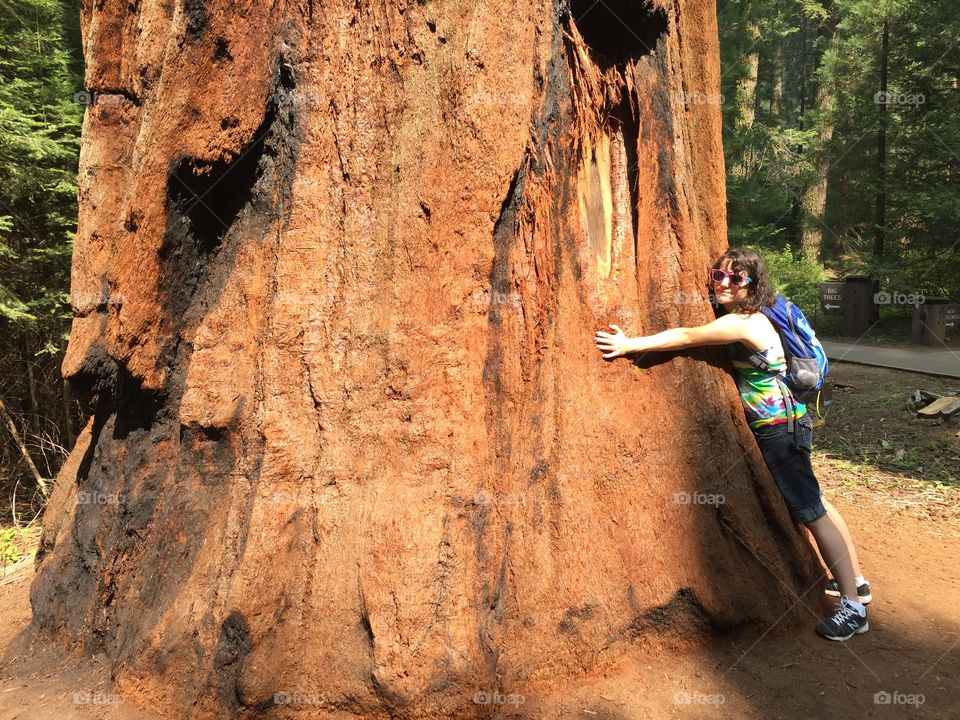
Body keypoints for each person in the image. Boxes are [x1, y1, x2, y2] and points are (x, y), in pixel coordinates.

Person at [593, 247, 870, 640]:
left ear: (751, 286)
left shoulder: (744, 323)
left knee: (810, 511)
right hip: (790, 422)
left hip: (779, 428)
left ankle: (853, 608)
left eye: (736, 279)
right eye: (718, 275)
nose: (724, 284)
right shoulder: (755, 315)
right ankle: (856, 581)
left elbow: (688, 336)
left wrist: (629, 345)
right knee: (817, 502)